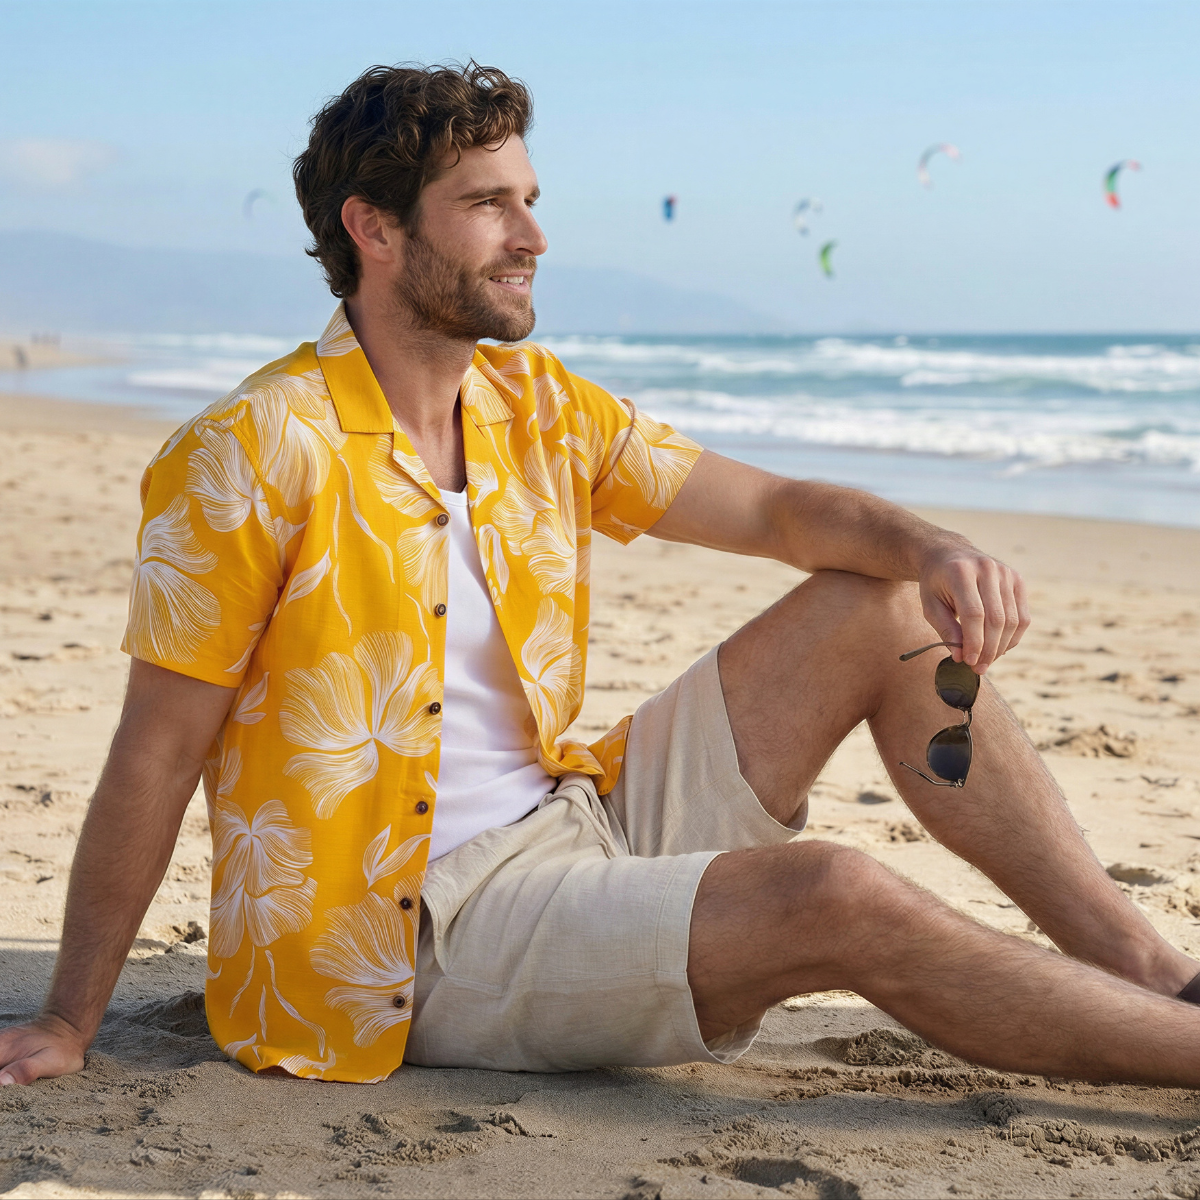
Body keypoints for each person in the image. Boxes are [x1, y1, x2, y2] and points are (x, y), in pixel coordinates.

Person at [3, 60, 1199, 1089]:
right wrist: (71, 1015)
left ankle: (1153, 972)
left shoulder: (533, 403)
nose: (531, 236)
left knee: (875, 603)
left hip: (579, 814)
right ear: (374, 229)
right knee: (831, 891)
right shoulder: (252, 448)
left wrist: (936, 547)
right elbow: (155, 749)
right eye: (486, 206)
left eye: (529, 199)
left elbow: (781, 513)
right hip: (413, 936)